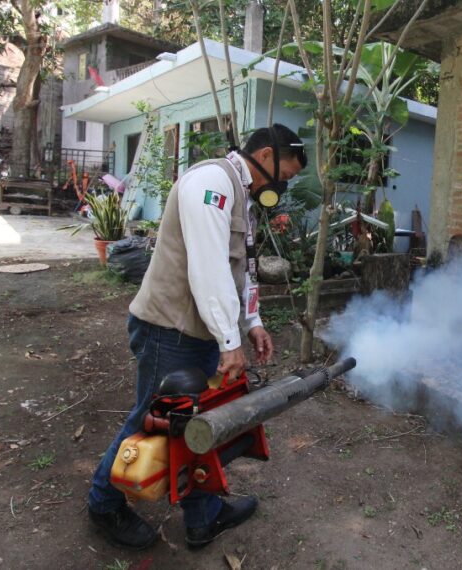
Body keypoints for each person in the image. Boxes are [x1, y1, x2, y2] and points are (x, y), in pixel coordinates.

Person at [87, 124, 307, 550]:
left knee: (200, 424)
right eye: (287, 175)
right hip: (169, 329)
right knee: (152, 420)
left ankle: (203, 518)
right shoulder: (212, 184)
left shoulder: (240, 193)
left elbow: (239, 266)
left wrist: (253, 321)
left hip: (197, 331)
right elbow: (207, 268)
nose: (284, 185)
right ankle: (104, 503)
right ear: (265, 156)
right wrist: (231, 341)